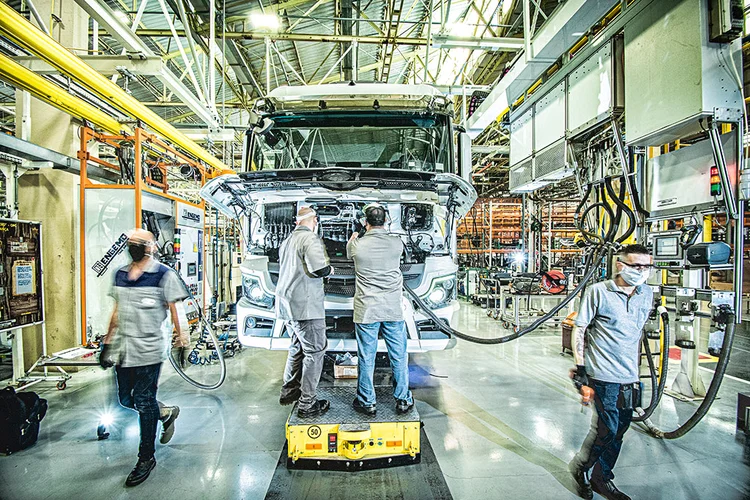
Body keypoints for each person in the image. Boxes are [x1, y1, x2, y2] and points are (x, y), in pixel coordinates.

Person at [99, 229, 188, 487]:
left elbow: (176, 309)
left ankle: (146, 458)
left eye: (139, 243)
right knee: (126, 399)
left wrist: (182, 340)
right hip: (123, 349)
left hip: (149, 349)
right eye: (131, 243)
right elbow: (117, 311)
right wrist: (107, 342)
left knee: (143, 399)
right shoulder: (121, 275)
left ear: (151, 247)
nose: (134, 247)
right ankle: (166, 412)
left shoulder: (163, 275)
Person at [568, 244, 654, 500]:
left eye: (647, 266)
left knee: (620, 430)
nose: (642, 271)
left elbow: (636, 333)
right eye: (636, 265)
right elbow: (580, 329)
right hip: (602, 374)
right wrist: (581, 368)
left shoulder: (646, 293)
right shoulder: (599, 292)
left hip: (629, 375)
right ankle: (581, 468)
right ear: (621, 265)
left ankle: (600, 476)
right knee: (607, 429)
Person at [347, 203, 414, 417]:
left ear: (365, 222)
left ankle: (367, 402)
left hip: (367, 310)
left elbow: (350, 249)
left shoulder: (357, 245)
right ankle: (403, 399)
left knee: (367, 357)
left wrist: (357, 232)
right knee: (399, 356)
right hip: (392, 309)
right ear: (386, 221)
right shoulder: (396, 243)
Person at [276, 206, 333, 418]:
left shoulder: (287, 241)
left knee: (297, 348)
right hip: (306, 307)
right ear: (314, 220)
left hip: (287, 306)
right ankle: (307, 404)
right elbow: (319, 268)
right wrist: (331, 270)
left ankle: (289, 392)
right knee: (315, 351)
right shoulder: (310, 239)